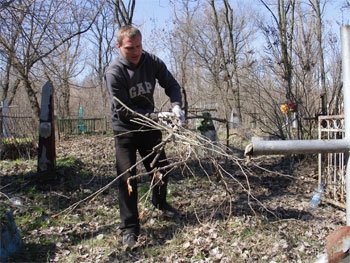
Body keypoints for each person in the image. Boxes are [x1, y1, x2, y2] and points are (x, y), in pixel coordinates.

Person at [104, 25, 185, 248]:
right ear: (119, 46)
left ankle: (160, 203)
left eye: (139, 46)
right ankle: (130, 228)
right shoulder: (114, 72)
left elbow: (171, 84)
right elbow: (125, 111)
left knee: (161, 169)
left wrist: (176, 107)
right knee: (127, 179)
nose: (136, 51)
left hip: (150, 129)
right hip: (126, 130)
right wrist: (159, 117)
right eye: (130, 48)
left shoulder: (151, 61)